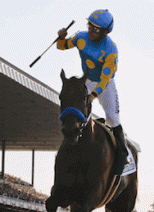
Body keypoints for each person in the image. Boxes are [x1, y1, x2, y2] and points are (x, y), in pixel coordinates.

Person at [57, 9, 130, 167]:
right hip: (87, 80)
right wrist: (61, 37)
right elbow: (62, 47)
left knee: (112, 117)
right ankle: (71, 139)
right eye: (89, 26)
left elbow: (104, 80)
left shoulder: (111, 50)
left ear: (105, 32)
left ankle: (123, 154)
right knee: (75, 107)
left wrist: (93, 96)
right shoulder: (81, 37)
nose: (90, 31)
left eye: (95, 29)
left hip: (105, 84)